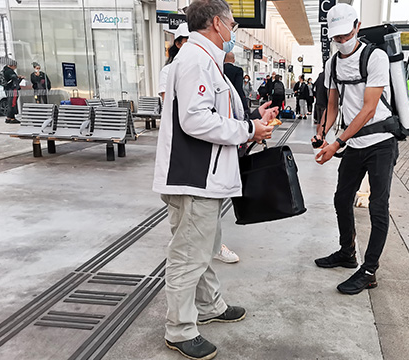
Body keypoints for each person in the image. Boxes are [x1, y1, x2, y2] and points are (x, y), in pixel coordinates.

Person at [152, 1, 277, 358]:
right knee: (188, 255)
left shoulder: (206, 59)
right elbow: (195, 120)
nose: (233, 32)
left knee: (202, 248)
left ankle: (210, 306)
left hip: (205, 176)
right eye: (233, 24)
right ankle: (179, 329)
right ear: (217, 23)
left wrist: (252, 117)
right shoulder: (194, 60)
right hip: (192, 177)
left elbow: (215, 112)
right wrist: (249, 129)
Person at [312, 3, 400, 295]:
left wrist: (338, 142)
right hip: (353, 143)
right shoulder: (333, 63)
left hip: (380, 143)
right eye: (336, 37)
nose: (341, 41)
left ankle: (369, 270)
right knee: (341, 199)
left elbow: (368, 109)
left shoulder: (375, 58)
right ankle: (347, 252)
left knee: (377, 206)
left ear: (357, 26)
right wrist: (322, 133)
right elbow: (333, 106)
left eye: (346, 34)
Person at [158, 23, 190, 101]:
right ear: (178, 44)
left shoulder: (205, 66)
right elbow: (167, 101)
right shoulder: (167, 71)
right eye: (188, 40)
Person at [2, 59, 24, 124]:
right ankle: (12, 118)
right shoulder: (10, 71)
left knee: (10, 103)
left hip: (7, 89)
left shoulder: (4, 70)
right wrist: (20, 78)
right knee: (12, 103)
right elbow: (15, 80)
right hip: (12, 89)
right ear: (13, 65)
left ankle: (8, 117)